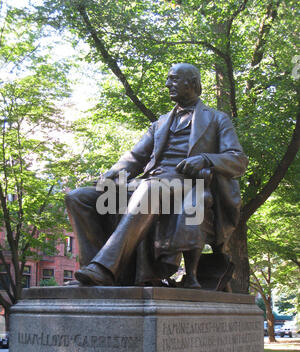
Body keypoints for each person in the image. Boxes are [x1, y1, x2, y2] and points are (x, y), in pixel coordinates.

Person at [65, 63, 248, 289]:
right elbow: (134, 157)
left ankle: (105, 268)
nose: (167, 84)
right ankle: (92, 271)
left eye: (173, 79)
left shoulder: (217, 119)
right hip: (150, 182)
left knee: (149, 189)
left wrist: (206, 159)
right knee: (78, 197)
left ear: (191, 82)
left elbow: (238, 159)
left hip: (188, 185)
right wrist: (112, 174)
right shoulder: (160, 123)